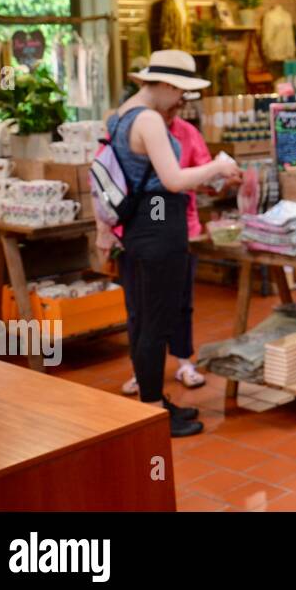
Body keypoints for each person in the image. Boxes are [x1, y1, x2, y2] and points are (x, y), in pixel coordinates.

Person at [105, 50, 240, 437]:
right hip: (159, 222)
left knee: (147, 317)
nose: (181, 100)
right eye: (179, 91)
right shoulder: (147, 119)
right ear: (163, 85)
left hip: (140, 224)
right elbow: (172, 180)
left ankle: (155, 402)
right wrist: (217, 166)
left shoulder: (119, 115)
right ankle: (151, 410)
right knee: (156, 321)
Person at [120, 95, 211, 395]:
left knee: (179, 302)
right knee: (141, 311)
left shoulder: (186, 132)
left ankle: (183, 362)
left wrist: (213, 176)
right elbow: (168, 182)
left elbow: (202, 171)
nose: (176, 108)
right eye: (173, 100)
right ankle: (146, 377)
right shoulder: (137, 125)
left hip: (177, 226)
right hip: (151, 228)